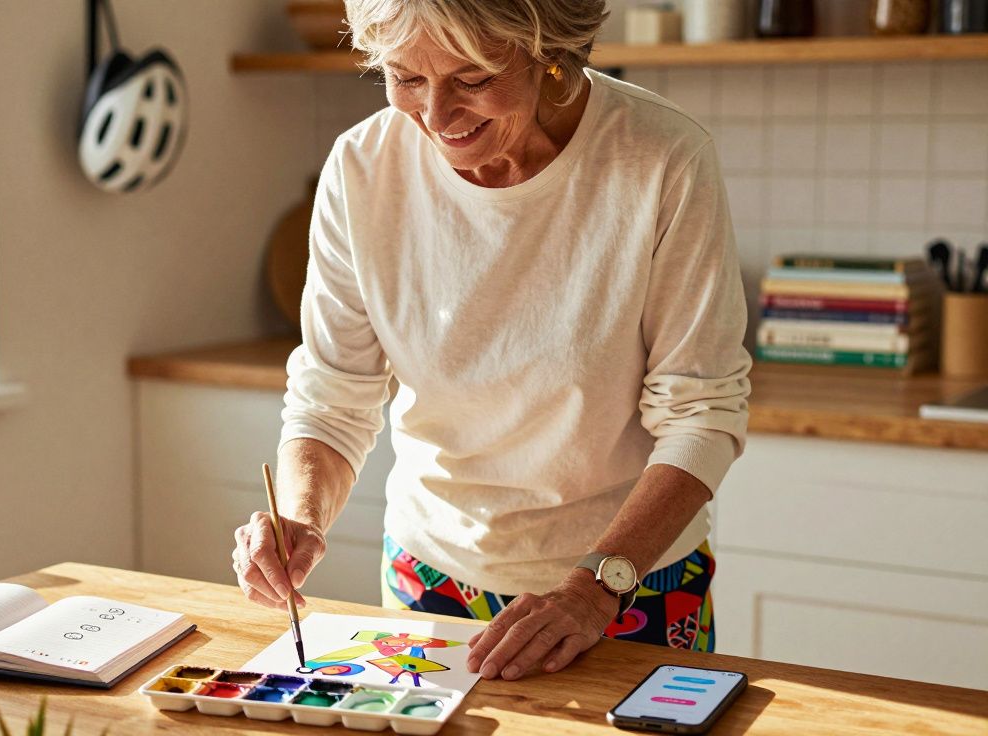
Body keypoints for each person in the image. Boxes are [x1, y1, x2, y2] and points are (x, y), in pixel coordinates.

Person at [231, 0, 751, 682]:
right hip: (431, 578)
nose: (436, 116)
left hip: (631, 581)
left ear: (550, 51)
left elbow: (702, 413)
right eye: (406, 77)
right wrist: (300, 516)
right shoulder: (362, 171)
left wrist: (594, 589)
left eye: (472, 79)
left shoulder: (661, 158)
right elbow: (332, 396)